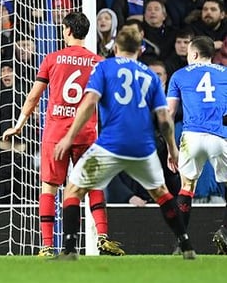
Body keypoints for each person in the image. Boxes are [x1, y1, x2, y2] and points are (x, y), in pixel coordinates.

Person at [53, 26, 195, 260]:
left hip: (110, 145)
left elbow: (89, 103)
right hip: (143, 148)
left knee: (73, 189)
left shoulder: (104, 66)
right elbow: (164, 119)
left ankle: (69, 249)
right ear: (139, 50)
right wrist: (172, 149)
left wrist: (69, 137)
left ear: (116, 47)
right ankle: (186, 244)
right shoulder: (150, 75)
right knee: (161, 193)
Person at [2, 12, 125, 257]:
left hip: (57, 133)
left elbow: (33, 96)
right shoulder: (99, 62)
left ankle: (47, 246)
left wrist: (19, 124)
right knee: (92, 185)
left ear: (67, 30)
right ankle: (102, 236)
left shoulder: (52, 59)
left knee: (49, 187)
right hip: (87, 134)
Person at [165, 36, 227, 251]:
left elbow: (169, 114)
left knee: (187, 187)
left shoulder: (179, 75)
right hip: (220, 136)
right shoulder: (225, 73)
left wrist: (170, 148)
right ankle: (225, 232)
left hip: (191, 137)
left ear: (193, 54)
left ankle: (182, 243)